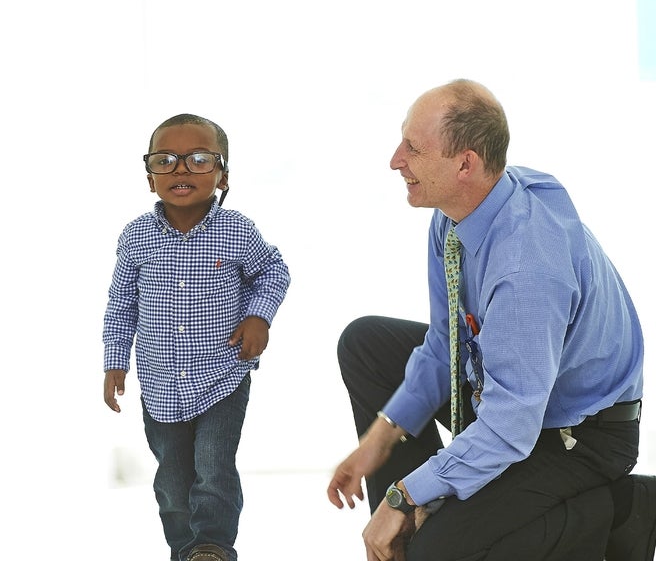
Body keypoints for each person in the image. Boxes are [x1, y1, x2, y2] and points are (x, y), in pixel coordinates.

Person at [327, 79, 656, 560]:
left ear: (466, 163)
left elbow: (511, 425)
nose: (396, 160)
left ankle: (623, 510)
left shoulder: (526, 265)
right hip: (511, 393)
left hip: (575, 436)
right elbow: (447, 343)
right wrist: (379, 441)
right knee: (366, 343)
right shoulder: (457, 216)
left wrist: (407, 493)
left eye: (413, 149)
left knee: (439, 553)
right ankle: (400, 534)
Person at [103, 114, 290, 561]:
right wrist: (115, 362)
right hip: (161, 383)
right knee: (172, 477)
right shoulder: (135, 237)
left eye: (199, 159)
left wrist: (259, 318)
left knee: (213, 466)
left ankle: (212, 546)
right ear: (150, 178)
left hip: (222, 376)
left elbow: (274, 273)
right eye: (165, 160)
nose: (181, 170)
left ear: (223, 175)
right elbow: (120, 304)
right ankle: (184, 549)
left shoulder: (237, 230)